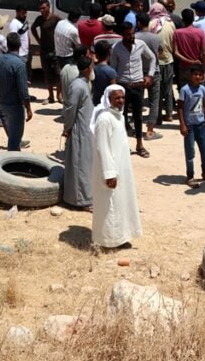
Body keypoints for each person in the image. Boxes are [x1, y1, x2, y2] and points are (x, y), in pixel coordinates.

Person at [91, 85, 143, 250]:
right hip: (111, 170)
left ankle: (119, 237)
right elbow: (103, 147)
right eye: (116, 98)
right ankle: (109, 241)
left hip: (121, 167)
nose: (120, 101)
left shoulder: (119, 117)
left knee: (121, 203)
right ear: (109, 99)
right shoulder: (105, 119)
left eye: (122, 97)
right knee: (110, 205)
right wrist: (109, 174)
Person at [109, 21, 156, 157]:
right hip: (123, 86)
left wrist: (150, 76)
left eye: (132, 33)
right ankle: (122, 145)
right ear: (122, 35)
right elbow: (113, 67)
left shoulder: (140, 45)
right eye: (128, 34)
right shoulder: (116, 48)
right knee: (121, 116)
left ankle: (139, 144)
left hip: (138, 85)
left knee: (138, 116)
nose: (131, 36)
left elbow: (152, 58)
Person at [178, 66, 205, 188]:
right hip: (189, 126)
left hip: (201, 124)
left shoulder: (202, 89)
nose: (197, 77)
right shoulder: (185, 90)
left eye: (200, 75)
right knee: (190, 152)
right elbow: (180, 107)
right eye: (195, 74)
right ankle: (190, 176)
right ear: (190, 75)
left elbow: (203, 105)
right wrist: (182, 124)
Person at [62, 57, 94, 210]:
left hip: (86, 128)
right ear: (87, 68)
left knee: (84, 162)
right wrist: (67, 128)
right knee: (79, 164)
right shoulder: (77, 86)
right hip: (79, 129)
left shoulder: (83, 84)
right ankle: (80, 200)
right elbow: (70, 110)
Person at [0, 33, 33, 151]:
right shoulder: (20, 64)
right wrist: (28, 109)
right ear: (20, 45)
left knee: (12, 133)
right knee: (15, 139)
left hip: (2, 102)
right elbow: (23, 92)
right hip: (15, 105)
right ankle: (12, 162)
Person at [134, 14, 163, 139]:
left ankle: (138, 128)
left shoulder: (135, 37)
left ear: (139, 23)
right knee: (154, 101)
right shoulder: (156, 37)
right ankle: (150, 130)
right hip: (154, 72)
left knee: (138, 102)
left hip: (138, 73)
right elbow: (160, 52)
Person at [150, 2, 177, 122]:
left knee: (157, 91)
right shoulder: (171, 23)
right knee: (168, 89)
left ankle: (158, 115)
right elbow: (174, 41)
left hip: (155, 62)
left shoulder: (150, 24)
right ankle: (169, 114)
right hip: (168, 59)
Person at [31, 0, 61, 104]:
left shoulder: (55, 19)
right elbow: (33, 28)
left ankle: (59, 95)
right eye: (40, 8)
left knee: (58, 74)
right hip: (44, 50)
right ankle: (51, 96)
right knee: (47, 73)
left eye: (43, 8)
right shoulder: (39, 19)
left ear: (48, 7)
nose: (42, 10)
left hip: (55, 50)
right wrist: (38, 40)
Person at [172, 8, 205, 86]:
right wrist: (203, 69)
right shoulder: (200, 32)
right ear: (193, 19)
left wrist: (189, 61)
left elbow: (176, 53)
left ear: (182, 19)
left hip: (183, 67)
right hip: (197, 67)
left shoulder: (177, 33)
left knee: (185, 91)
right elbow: (204, 52)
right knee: (198, 91)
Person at [60, 45, 88, 116]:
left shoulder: (65, 68)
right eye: (87, 55)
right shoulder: (81, 72)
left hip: (66, 109)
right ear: (82, 56)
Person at [6, 5, 32, 77]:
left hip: (26, 53)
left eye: (26, 13)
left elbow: (27, 35)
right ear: (17, 12)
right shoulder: (14, 23)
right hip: (20, 55)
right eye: (23, 13)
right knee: (20, 76)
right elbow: (13, 39)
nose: (25, 15)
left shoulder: (24, 22)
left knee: (27, 76)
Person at [91, 41, 117, 106]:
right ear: (109, 53)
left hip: (95, 102)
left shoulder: (92, 69)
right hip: (107, 104)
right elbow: (113, 90)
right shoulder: (111, 71)